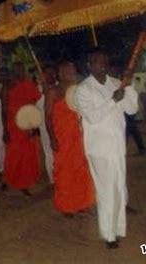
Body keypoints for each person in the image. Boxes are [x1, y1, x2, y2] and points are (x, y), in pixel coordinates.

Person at [75, 49, 138, 249]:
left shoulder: (115, 83)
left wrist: (129, 85)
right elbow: (92, 116)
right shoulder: (84, 89)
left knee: (119, 188)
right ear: (89, 64)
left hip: (117, 146)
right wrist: (113, 100)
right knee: (106, 189)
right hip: (99, 148)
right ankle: (109, 234)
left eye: (104, 61)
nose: (101, 65)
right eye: (96, 61)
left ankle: (117, 229)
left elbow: (132, 109)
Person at [45, 61, 95, 216]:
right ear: (60, 74)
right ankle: (66, 205)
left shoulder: (79, 90)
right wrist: (52, 138)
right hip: (62, 138)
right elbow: (47, 117)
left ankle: (82, 202)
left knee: (81, 169)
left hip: (78, 137)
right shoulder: (54, 92)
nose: (72, 74)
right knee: (64, 171)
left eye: (73, 71)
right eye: (68, 71)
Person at [2, 62, 42, 196]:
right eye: (16, 70)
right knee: (12, 155)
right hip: (12, 126)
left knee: (27, 155)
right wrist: (5, 130)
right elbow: (4, 110)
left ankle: (24, 183)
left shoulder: (29, 85)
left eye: (21, 70)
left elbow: (34, 107)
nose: (19, 72)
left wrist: (34, 125)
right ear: (12, 71)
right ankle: (7, 179)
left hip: (27, 125)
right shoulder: (7, 87)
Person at [36, 64, 58, 184]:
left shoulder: (60, 88)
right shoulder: (38, 89)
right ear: (42, 75)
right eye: (48, 73)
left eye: (53, 73)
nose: (51, 76)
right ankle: (53, 178)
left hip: (60, 124)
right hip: (45, 125)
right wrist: (43, 94)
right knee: (49, 150)